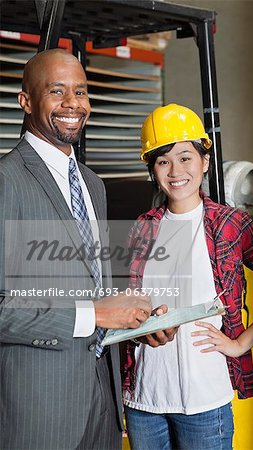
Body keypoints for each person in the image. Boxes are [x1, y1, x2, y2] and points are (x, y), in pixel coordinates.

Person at [122, 104, 253, 450]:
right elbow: (127, 305)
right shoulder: (142, 227)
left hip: (204, 404)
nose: (176, 171)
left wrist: (240, 344)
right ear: (152, 169)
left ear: (204, 162)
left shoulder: (231, 225)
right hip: (144, 402)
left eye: (186, 158)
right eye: (163, 161)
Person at [0, 48, 152, 450]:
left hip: (101, 398)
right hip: (40, 407)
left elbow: (89, 283)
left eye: (81, 92)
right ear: (26, 101)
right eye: (56, 91)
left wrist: (137, 321)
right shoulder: (6, 182)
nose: (73, 103)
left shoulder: (92, 184)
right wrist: (95, 314)